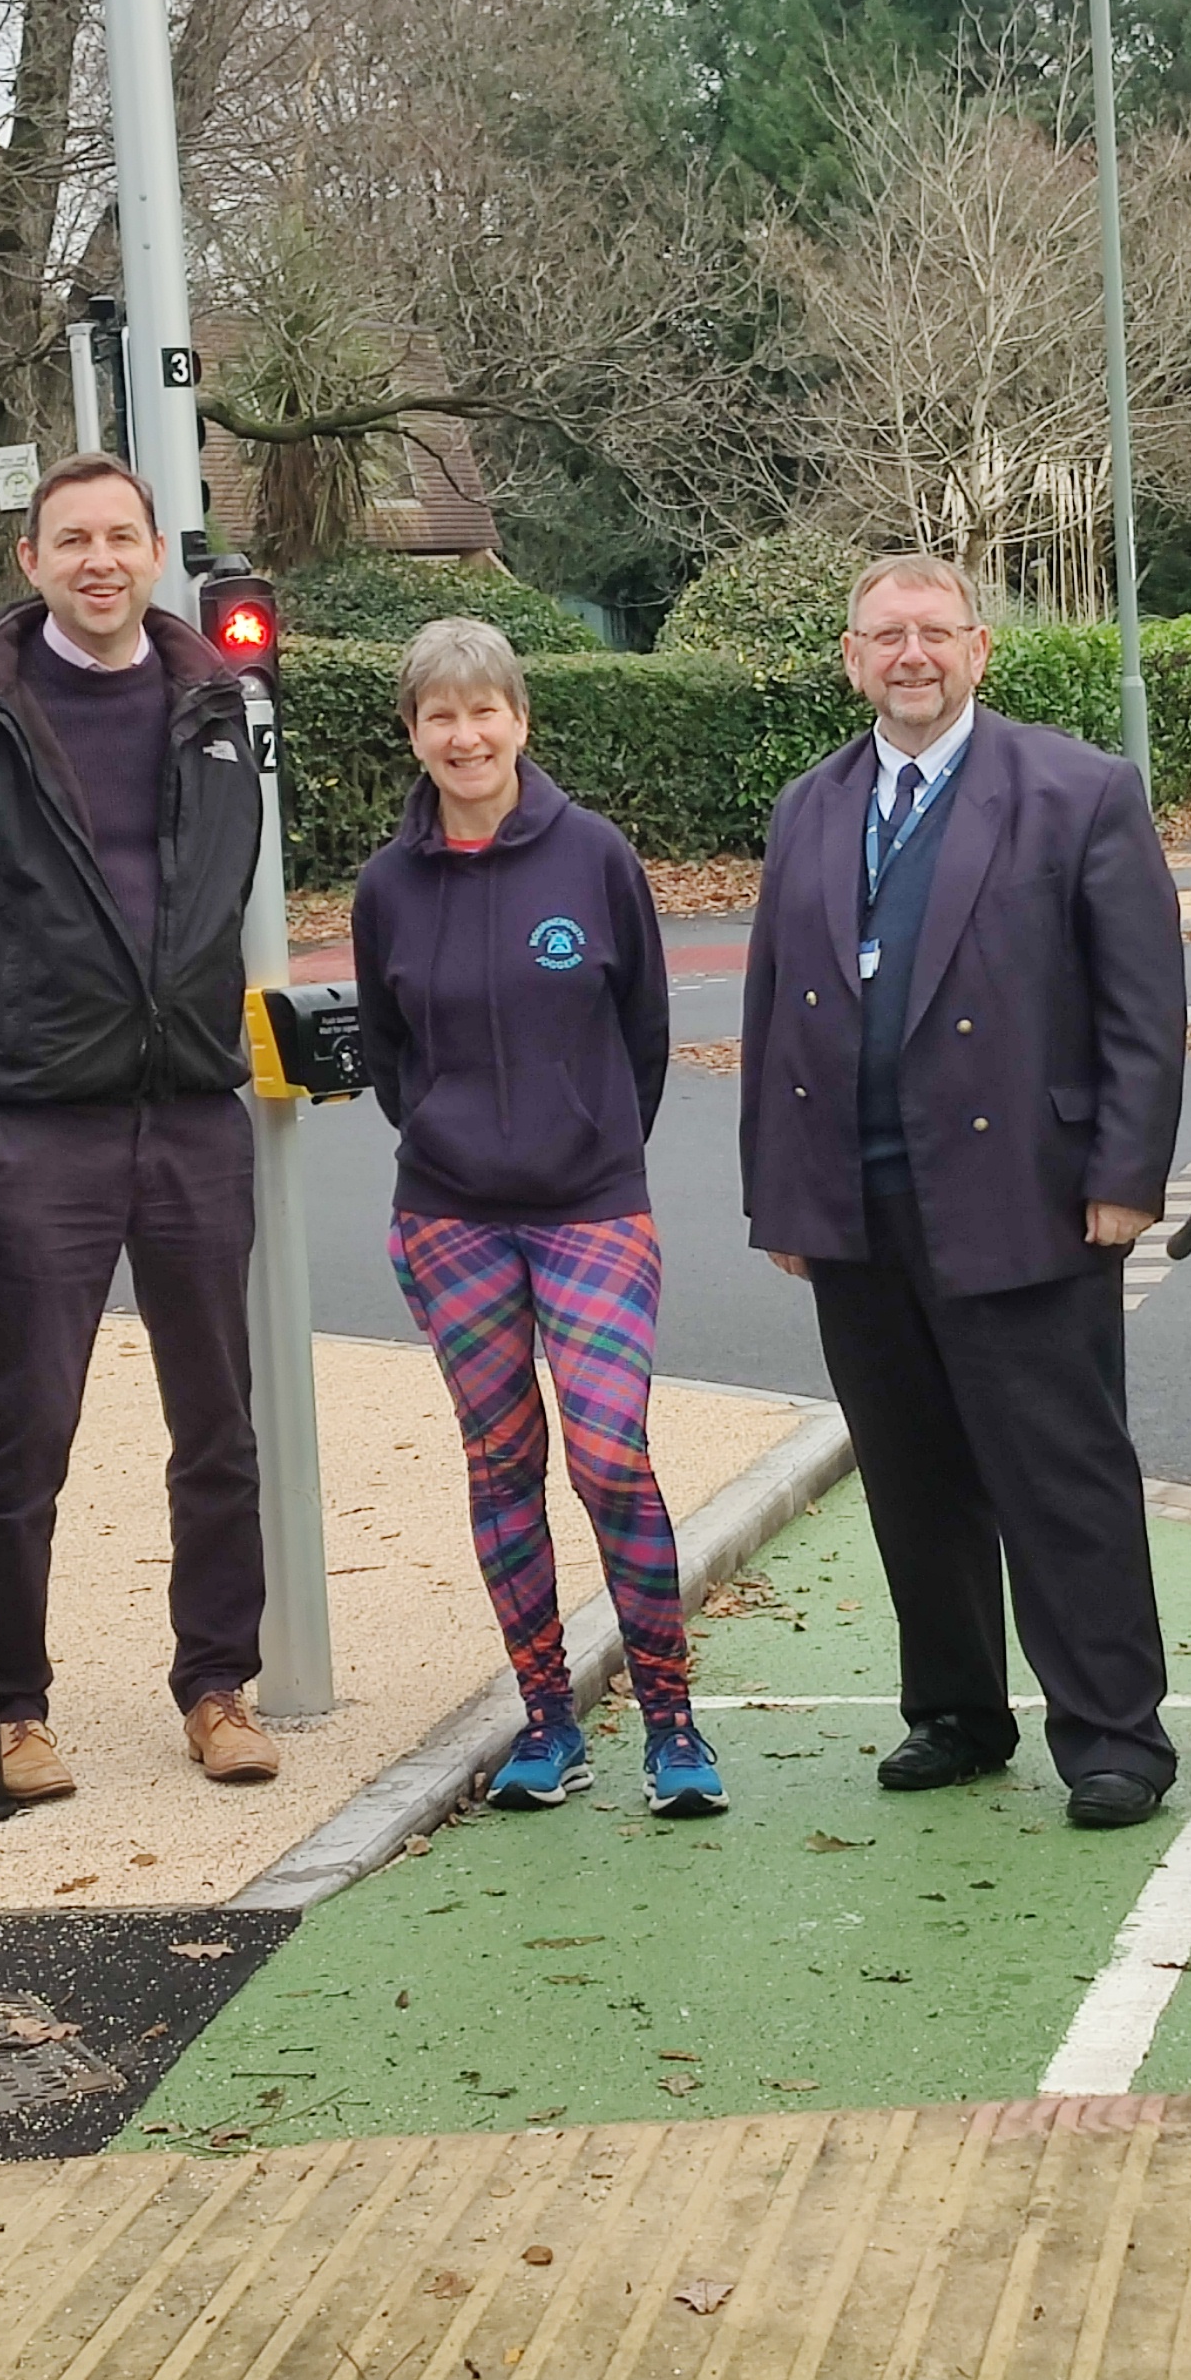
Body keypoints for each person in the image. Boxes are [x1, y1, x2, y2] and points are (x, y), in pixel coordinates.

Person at [739, 553, 1190, 1829]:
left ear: (978, 649)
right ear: (852, 659)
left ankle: (1114, 1738)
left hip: (1027, 1194)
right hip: (857, 1203)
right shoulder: (809, 806)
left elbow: (1142, 1003)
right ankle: (954, 1712)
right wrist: (783, 1194)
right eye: (886, 636)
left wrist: (1125, 1174)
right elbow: (773, 1007)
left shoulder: (1078, 790)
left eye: (934, 632)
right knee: (910, 1472)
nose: (911, 655)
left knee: (1061, 1473)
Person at [0, 451, 278, 1801]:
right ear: (30, 561)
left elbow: (220, 889)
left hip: (193, 1114)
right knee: (24, 1431)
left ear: (154, 554)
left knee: (218, 1426)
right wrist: (3, 1045)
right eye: (73, 540)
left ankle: (217, 1686)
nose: (100, 561)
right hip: (41, 1128)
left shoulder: (215, 709)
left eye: (121, 537)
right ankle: (12, 1706)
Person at [351, 619, 721, 1817]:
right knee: (502, 1463)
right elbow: (390, 1056)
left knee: (609, 1456)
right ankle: (548, 1721)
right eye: (440, 717)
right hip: (449, 1219)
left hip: (590, 1208)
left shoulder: (595, 857)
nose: (465, 736)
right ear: (413, 734)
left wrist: (589, 1141)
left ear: (519, 719)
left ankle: (671, 1726)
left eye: (483, 711)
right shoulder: (387, 887)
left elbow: (644, 1031)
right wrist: (446, 1138)